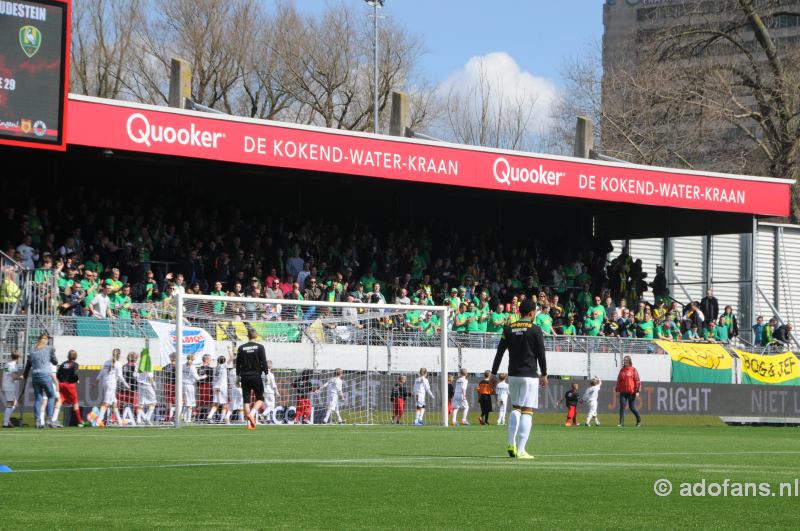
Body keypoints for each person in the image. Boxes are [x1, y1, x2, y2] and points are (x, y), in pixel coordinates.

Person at [491, 299, 548, 460]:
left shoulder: (509, 328)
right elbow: (541, 354)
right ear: (531, 313)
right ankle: (521, 450)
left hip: (513, 375)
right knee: (527, 410)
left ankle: (511, 442)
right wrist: (544, 374)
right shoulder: (535, 329)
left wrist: (494, 373)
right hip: (529, 375)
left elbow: (499, 352)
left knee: (515, 407)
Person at [22, 333, 60, 429]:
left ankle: (38, 421)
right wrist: (53, 352)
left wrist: (25, 375)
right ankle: (49, 419)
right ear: (46, 340)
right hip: (45, 375)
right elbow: (55, 362)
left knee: (38, 399)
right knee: (51, 396)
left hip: (35, 376)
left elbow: (28, 364)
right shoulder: (49, 348)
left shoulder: (32, 349)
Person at [236, 329, 268, 429]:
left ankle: (248, 424)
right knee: (260, 398)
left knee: (246, 400)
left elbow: (238, 363)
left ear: (248, 336)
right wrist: (266, 374)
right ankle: (252, 413)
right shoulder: (260, 347)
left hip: (244, 376)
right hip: (256, 376)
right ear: (256, 336)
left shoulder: (241, 348)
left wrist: (237, 376)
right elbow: (264, 362)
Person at [95, 348, 130, 427]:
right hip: (111, 385)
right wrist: (126, 385)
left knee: (114, 403)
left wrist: (95, 382)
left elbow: (101, 373)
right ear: (119, 355)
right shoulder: (118, 364)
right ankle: (98, 421)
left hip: (104, 383)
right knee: (106, 403)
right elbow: (120, 376)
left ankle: (120, 421)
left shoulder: (106, 362)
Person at [52, 350, 83, 427]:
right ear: (75, 357)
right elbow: (76, 374)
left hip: (62, 384)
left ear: (68, 356)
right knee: (75, 402)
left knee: (60, 400)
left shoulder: (63, 364)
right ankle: (80, 422)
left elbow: (58, 374)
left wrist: (62, 381)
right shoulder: (75, 365)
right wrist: (76, 380)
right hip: (70, 385)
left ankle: (53, 419)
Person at [615, 355, 641, 428]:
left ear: (629, 361)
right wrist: (617, 389)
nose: (625, 361)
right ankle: (621, 422)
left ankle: (638, 419)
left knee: (631, 407)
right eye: (624, 360)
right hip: (623, 391)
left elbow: (637, 381)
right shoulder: (622, 370)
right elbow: (619, 381)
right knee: (622, 406)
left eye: (626, 360)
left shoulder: (633, 370)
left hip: (631, 392)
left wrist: (637, 391)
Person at [181, 353, 206, 423]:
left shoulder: (183, 365)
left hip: (182, 385)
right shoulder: (192, 367)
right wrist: (204, 376)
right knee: (190, 403)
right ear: (193, 359)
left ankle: (185, 418)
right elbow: (197, 378)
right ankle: (188, 419)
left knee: (185, 402)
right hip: (189, 386)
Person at [136, 349, 157, 425]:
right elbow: (150, 376)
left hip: (139, 384)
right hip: (147, 384)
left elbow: (135, 374)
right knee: (153, 402)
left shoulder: (138, 363)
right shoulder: (148, 362)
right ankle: (147, 419)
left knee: (141, 403)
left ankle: (138, 420)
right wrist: (154, 384)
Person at [207, 356, 229, 424]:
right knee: (225, 403)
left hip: (215, 386)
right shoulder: (223, 366)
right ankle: (222, 419)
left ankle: (210, 416)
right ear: (224, 361)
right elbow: (232, 358)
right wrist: (229, 350)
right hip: (222, 387)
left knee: (216, 403)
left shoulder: (215, 368)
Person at [2, 351, 21, 428]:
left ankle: (7, 420)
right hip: (10, 387)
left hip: (6, 385)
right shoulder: (13, 365)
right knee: (10, 404)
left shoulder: (7, 364)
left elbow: (7, 374)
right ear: (18, 357)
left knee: (14, 403)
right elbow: (14, 377)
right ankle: (5, 423)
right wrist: (21, 377)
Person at [261, 360, 279, 424]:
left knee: (267, 406)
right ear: (270, 366)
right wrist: (277, 392)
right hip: (270, 392)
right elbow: (274, 385)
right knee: (272, 406)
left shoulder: (262, 374)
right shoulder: (271, 374)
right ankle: (263, 415)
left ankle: (267, 420)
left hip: (264, 391)